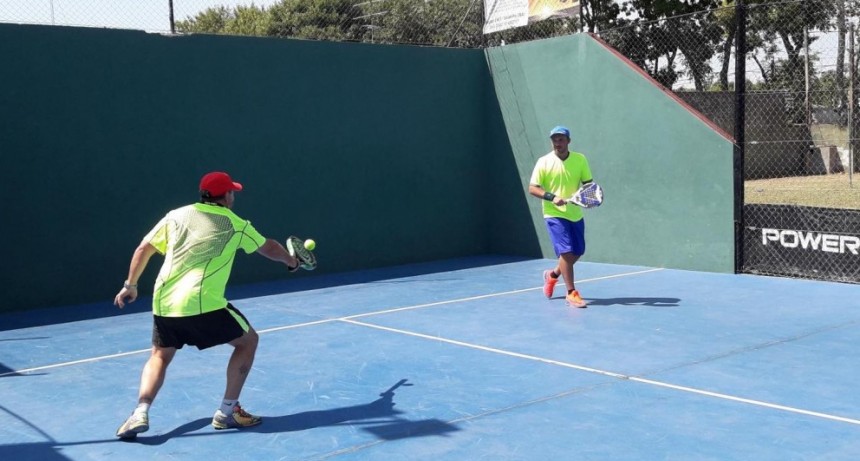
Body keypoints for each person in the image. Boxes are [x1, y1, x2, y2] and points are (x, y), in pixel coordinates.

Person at [113, 171, 301, 439]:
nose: (233, 196)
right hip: (202, 304)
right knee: (248, 341)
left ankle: (140, 412)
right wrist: (291, 262)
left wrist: (130, 285)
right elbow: (268, 247)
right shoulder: (235, 224)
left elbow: (144, 248)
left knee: (159, 356)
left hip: (165, 303)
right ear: (226, 196)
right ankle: (227, 412)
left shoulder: (175, 216)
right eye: (232, 192)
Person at [528, 126, 594, 308]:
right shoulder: (544, 162)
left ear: (568, 141)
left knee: (577, 251)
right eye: (555, 139)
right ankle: (571, 293)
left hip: (575, 214)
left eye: (561, 139)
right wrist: (552, 197)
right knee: (566, 251)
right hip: (554, 213)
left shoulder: (580, 159)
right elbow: (533, 188)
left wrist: (583, 198)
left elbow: (589, 185)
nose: (558, 143)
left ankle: (553, 275)